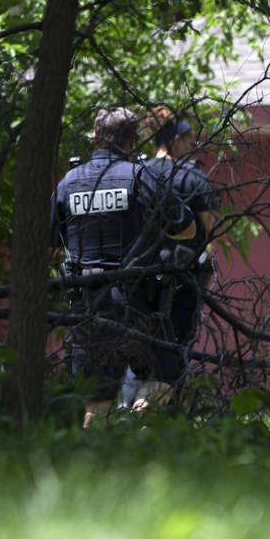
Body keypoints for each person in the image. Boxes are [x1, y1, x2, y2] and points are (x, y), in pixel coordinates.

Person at [51, 106, 196, 426]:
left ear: (94, 139)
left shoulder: (68, 183)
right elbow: (186, 226)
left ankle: (95, 459)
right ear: (133, 141)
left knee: (96, 401)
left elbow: (51, 245)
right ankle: (133, 427)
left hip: (87, 306)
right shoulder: (143, 176)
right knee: (164, 378)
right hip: (140, 302)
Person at [115, 106, 220, 407]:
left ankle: (125, 412)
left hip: (139, 278)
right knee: (174, 353)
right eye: (188, 141)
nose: (191, 147)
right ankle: (147, 417)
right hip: (183, 279)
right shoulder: (193, 178)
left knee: (140, 353)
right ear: (175, 140)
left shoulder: (138, 174)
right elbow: (210, 229)